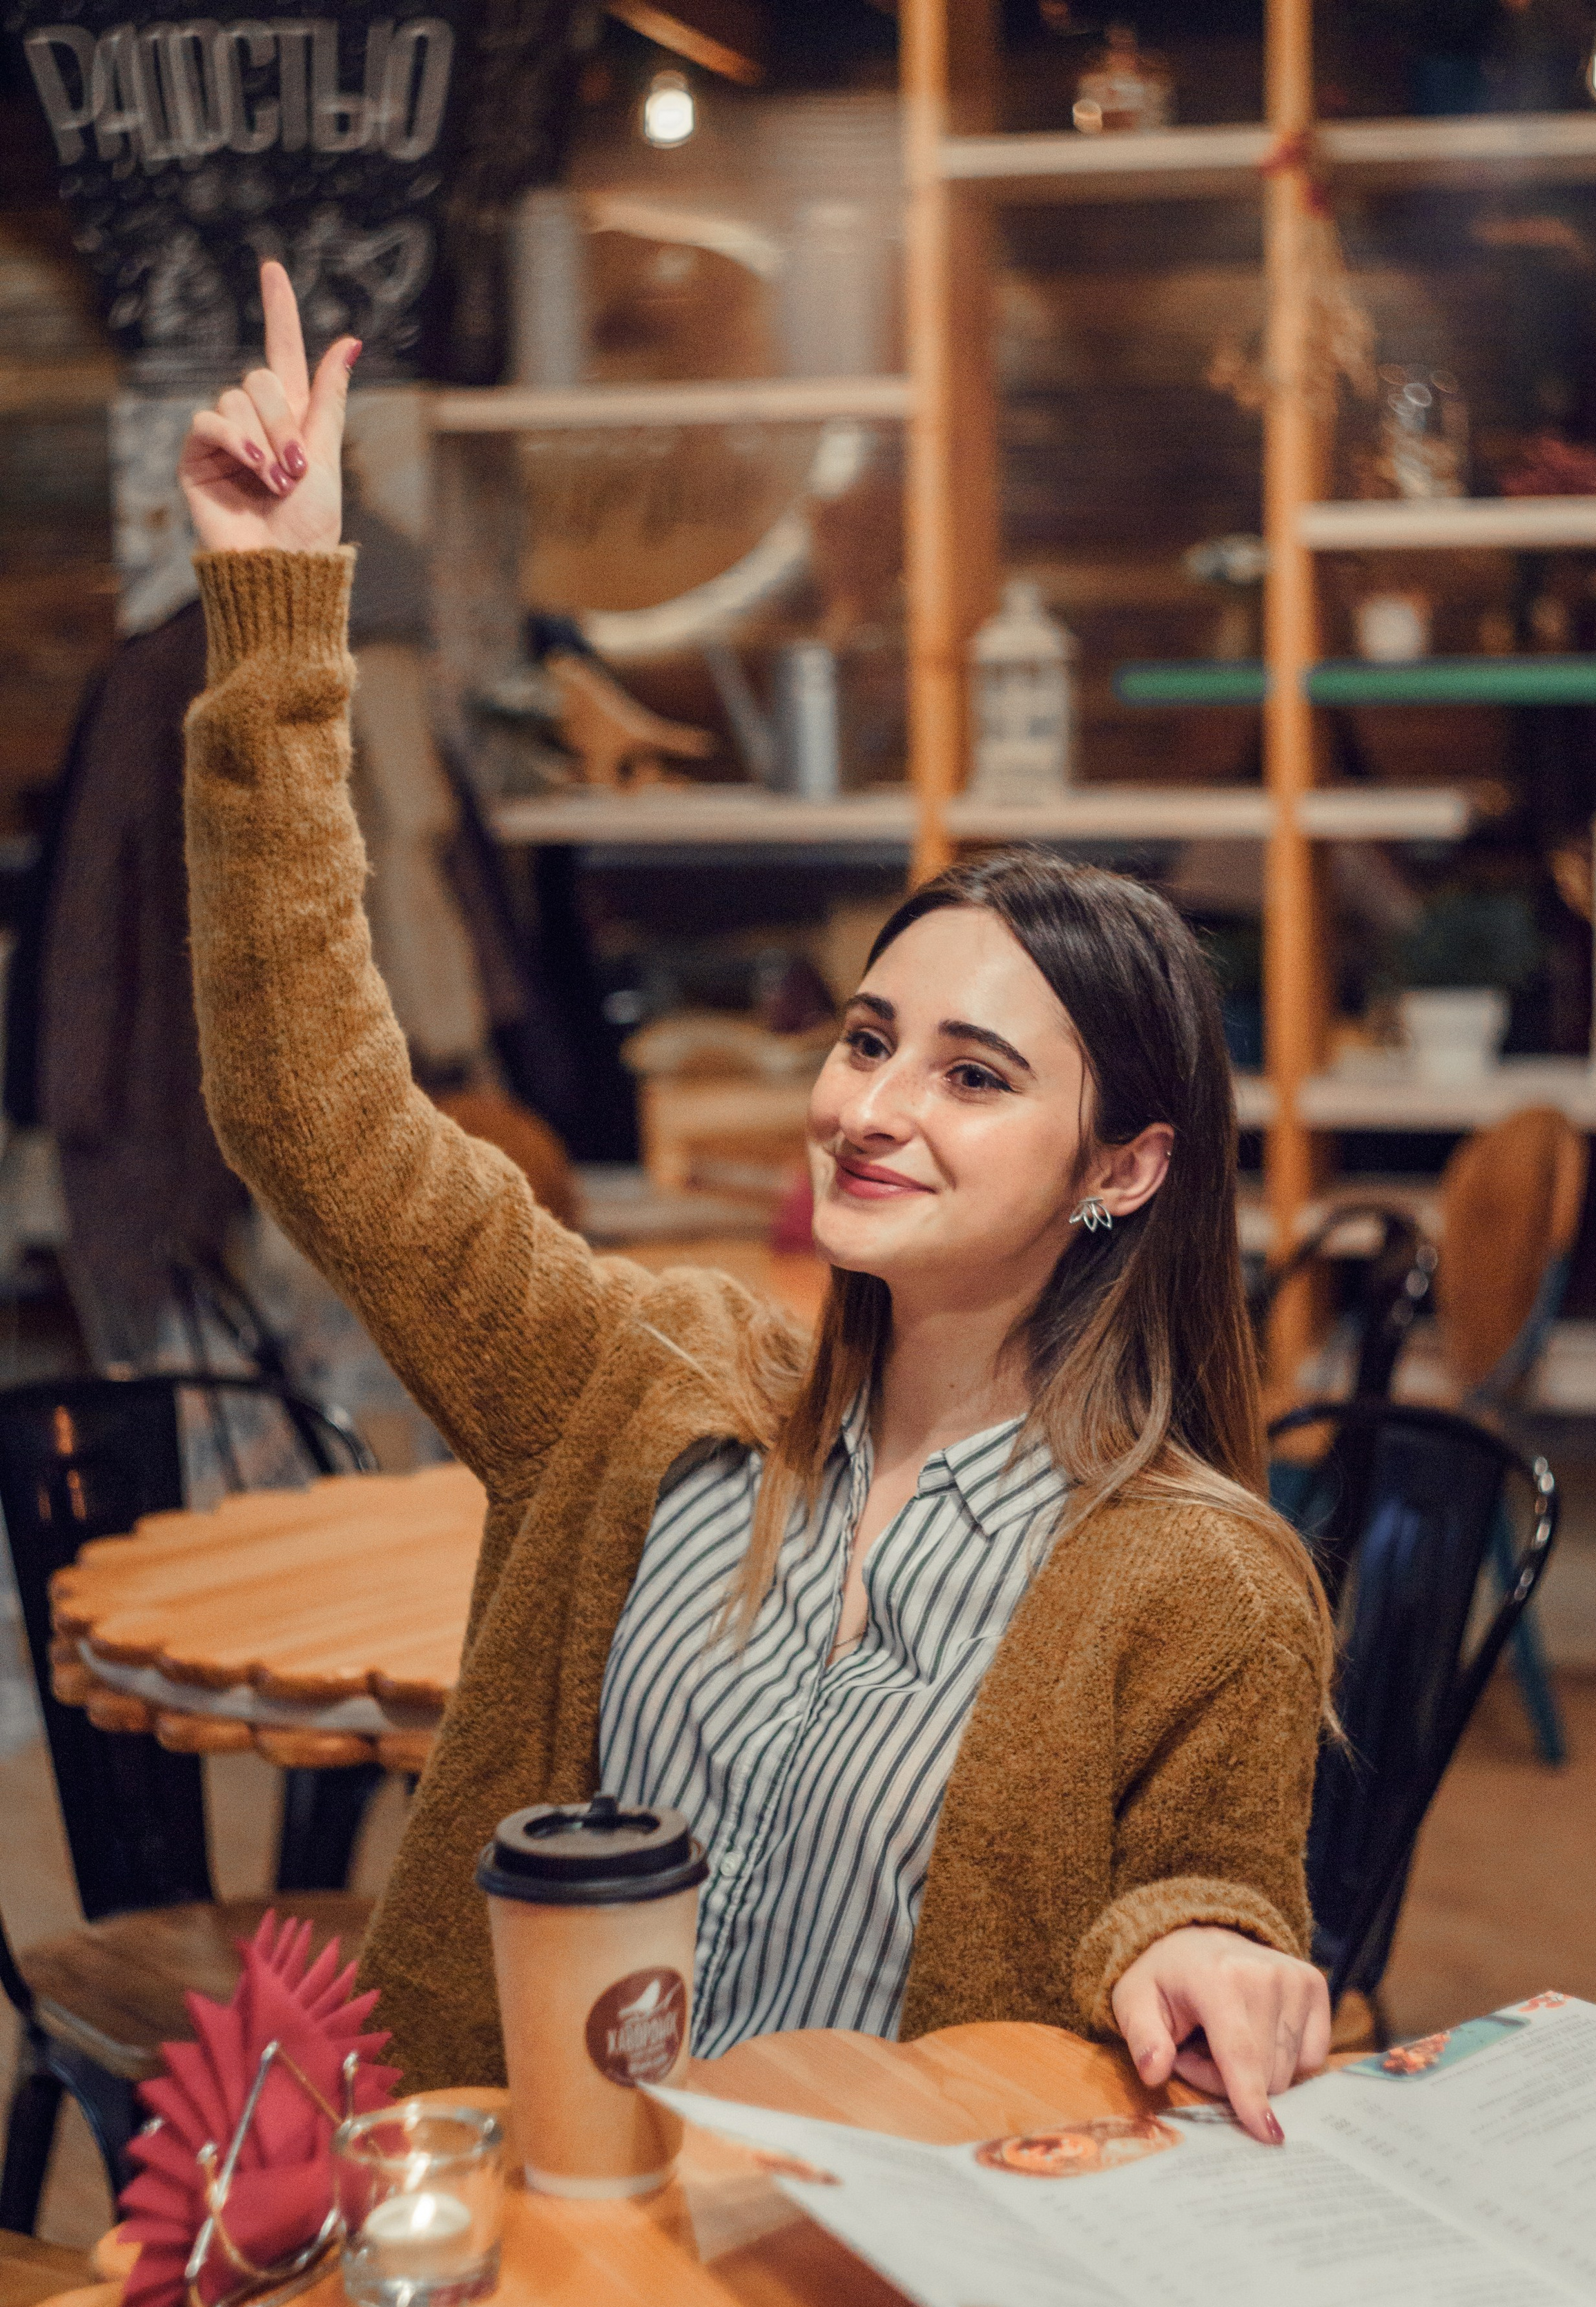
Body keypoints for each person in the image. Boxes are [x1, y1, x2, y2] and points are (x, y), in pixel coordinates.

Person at [177, 262, 1334, 2138]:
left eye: (973, 1077)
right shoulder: (637, 1389)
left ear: (1123, 1169)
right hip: (529, 2238)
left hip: (860, 2306)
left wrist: (1202, 1949)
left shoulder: (1204, 1581)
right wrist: (279, 613)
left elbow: (1203, 1897)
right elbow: (309, 1104)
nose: (872, 1109)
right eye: (869, 1039)